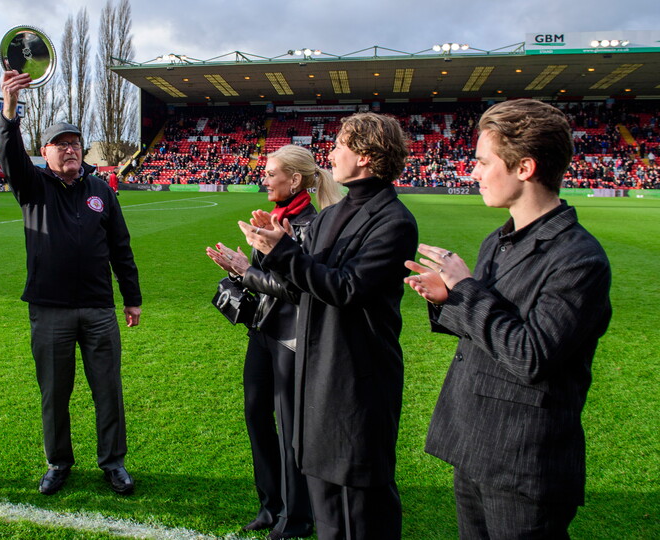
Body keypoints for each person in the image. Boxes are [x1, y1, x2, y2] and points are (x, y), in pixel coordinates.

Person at [404, 99, 612, 539]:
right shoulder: (497, 241)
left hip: (524, 460)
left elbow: (530, 356)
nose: (473, 173)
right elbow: (490, 330)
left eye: (482, 162)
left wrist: (465, 290)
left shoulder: (579, 259)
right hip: (475, 444)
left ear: (524, 168)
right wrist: (446, 300)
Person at [240, 113, 418, 540]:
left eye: (339, 144)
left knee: (360, 502)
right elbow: (299, 283)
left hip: (357, 378)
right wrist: (264, 249)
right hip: (317, 372)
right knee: (327, 508)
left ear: (367, 155)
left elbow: (346, 288)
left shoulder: (393, 221)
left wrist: (283, 252)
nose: (331, 153)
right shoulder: (330, 216)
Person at [0, 70, 142, 496]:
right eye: (61, 144)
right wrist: (9, 110)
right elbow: (9, 155)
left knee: (108, 389)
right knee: (54, 393)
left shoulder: (101, 189)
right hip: (50, 308)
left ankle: (113, 462)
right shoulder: (33, 186)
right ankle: (58, 462)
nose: (70, 149)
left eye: (75, 143)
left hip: (99, 308)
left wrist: (131, 298)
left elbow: (121, 246)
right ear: (45, 153)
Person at [207, 145, 340, 539]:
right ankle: (271, 506)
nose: (263, 178)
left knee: (290, 429)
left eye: (271, 173)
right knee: (256, 417)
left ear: (295, 180)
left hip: (291, 339)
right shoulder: (274, 217)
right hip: (263, 332)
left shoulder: (313, 226)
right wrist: (238, 267)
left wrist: (245, 271)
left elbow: (297, 289)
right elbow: (264, 280)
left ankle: (296, 518)